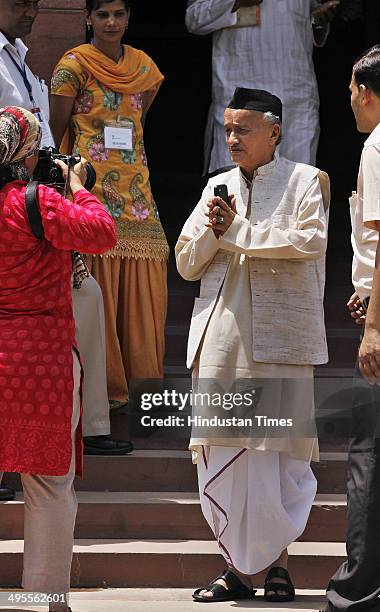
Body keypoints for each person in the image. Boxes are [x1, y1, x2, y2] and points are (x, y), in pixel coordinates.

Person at [176, 87, 330, 602]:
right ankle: (236, 570)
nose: (233, 139)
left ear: (275, 131)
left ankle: (278, 565)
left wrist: (237, 229)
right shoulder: (216, 186)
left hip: (282, 337)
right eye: (228, 129)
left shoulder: (306, 181)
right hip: (222, 337)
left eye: (243, 129)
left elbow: (308, 242)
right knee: (225, 453)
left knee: (279, 457)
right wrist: (213, 232)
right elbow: (185, 262)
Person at [0, 0, 131, 458]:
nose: (32, 10)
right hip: (24, 206)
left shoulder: (17, 55)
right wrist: (76, 189)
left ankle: (91, 424)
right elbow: (102, 231)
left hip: (41, 201)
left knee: (86, 296)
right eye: (21, 2)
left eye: (37, 2)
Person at [0, 106, 116, 611]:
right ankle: (45, 600)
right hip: (39, 361)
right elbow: (102, 232)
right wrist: (77, 184)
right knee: (47, 484)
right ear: (26, 155)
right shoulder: (35, 201)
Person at [50, 0, 169, 413]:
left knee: (145, 277)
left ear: (129, 18)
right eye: (102, 15)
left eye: (119, 14)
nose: (111, 23)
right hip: (89, 188)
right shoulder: (72, 66)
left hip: (137, 189)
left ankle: (139, 384)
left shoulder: (143, 68)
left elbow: (137, 124)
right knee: (96, 277)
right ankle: (106, 387)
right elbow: (57, 129)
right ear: (87, 19)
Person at [324, 44, 380, 612]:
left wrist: (374, 329)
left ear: (365, 92)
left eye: (350, 92)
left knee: (369, 453)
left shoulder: (378, 145)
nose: (350, 103)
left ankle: (358, 588)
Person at [185, 0, 338, 174]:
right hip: (240, 96)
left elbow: (310, 22)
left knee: (298, 188)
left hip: (296, 98)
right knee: (235, 191)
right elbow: (194, 18)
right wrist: (235, 2)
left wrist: (320, 21)